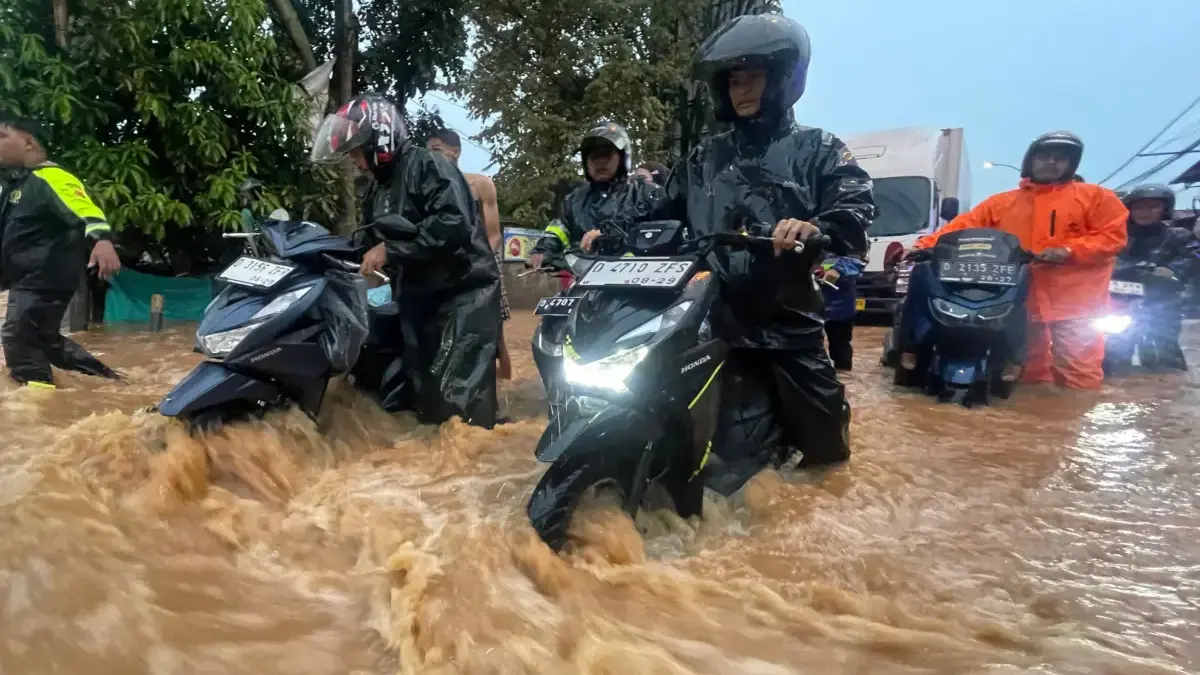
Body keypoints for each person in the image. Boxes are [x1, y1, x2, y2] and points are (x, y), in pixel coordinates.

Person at [642, 14, 876, 484]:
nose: (741, 88)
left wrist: (815, 227)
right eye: (732, 78)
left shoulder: (820, 149)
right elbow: (659, 214)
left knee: (828, 451)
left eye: (752, 74)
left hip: (790, 326)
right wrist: (606, 232)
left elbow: (856, 209)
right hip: (711, 324)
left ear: (784, 75)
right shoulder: (702, 157)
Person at [311, 95, 503, 428]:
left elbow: (453, 223)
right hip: (417, 300)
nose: (356, 162)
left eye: (357, 152)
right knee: (423, 402)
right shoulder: (377, 190)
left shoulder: (429, 165)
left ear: (379, 141)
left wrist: (391, 250)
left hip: (462, 296)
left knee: (458, 408)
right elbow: (364, 242)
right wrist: (317, 255)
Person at [905, 131, 1128, 390]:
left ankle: (1074, 422)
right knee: (1026, 371)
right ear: (1030, 161)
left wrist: (1069, 250)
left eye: (1061, 158)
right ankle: (1031, 421)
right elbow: (961, 228)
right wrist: (922, 246)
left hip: (1077, 305)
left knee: (1079, 373)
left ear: (1071, 165)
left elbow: (1113, 237)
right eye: (1045, 156)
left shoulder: (1097, 197)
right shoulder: (1001, 203)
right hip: (1021, 298)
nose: (1052, 163)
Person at [0, 116, 122, 388]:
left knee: (19, 336)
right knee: (45, 340)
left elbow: (85, 210)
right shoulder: (14, 187)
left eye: (1, 137)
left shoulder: (52, 177)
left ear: (29, 142)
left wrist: (102, 240)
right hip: (28, 278)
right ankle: (110, 383)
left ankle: (35, 408)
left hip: (44, 276)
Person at [425, 128, 513, 381]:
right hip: (448, 266)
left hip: (484, 263)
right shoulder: (432, 190)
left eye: (437, 150)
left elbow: (495, 234)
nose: (432, 157)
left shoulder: (481, 184)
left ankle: (507, 390)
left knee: (496, 332)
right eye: (428, 152)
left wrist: (481, 261)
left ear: (456, 152)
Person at [526, 123, 661, 269]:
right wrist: (542, 251)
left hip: (639, 279)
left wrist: (611, 236)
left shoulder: (646, 193)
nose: (600, 161)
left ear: (622, 158)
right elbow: (558, 230)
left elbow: (661, 231)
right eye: (594, 156)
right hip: (583, 280)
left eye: (606, 154)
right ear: (585, 161)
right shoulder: (574, 199)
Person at [1113, 183, 1195, 371]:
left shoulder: (1178, 235)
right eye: (1139, 207)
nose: (1145, 212)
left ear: (1164, 209)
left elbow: (1194, 257)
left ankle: (1171, 396)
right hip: (1120, 303)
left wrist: (1174, 270)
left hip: (1162, 304)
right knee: (1113, 359)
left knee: (1165, 358)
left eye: (1153, 206)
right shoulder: (1116, 236)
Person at [816, 252, 865, 371]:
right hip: (812, 309)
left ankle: (843, 377)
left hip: (839, 311)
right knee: (813, 348)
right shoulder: (808, 249)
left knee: (840, 349)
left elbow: (857, 263)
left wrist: (836, 272)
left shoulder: (847, 251)